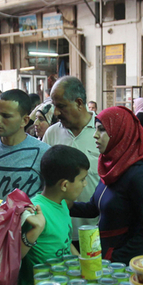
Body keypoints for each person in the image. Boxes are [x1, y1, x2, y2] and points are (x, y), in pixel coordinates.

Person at [70, 107, 143, 263]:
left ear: (120, 132)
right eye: (96, 129)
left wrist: (116, 257)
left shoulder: (138, 175)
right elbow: (93, 208)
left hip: (121, 264)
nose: (95, 135)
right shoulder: (111, 167)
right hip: (104, 255)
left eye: (102, 130)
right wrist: (60, 203)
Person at [18, 145, 89, 285]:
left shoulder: (62, 203)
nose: (85, 184)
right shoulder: (34, 211)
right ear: (64, 185)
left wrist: (83, 264)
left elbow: (65, 242)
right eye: (82, 180)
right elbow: (15, 255)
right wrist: (36, 229)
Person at [46, 76, 100, 239]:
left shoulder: (102, 133)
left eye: (61, 106)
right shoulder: (52, 134)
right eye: (54, 106)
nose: (56, 113)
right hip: (58, 232)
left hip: (95, 231)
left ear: (79, 103)